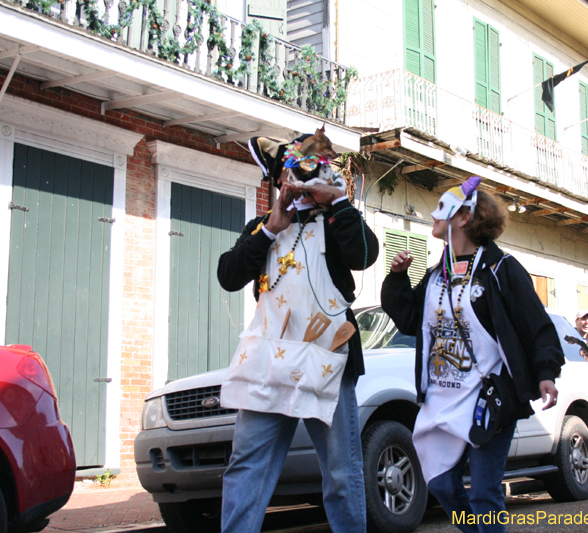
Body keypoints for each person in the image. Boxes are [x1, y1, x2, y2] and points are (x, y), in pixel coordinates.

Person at [381, 176, 563, 533]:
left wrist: (545, 372)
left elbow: (536, 325)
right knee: (441, 485)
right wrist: (398, 278)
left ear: (464, 217)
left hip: (488, 399)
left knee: (483, 493)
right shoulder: (437, 274)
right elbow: (408, 319)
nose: (433, 214)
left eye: (442, 207)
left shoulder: (501, 268)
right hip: (443, 398)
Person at [217, 132, 379, 533]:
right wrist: (272, 226)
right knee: (246, 466)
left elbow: (365, 253)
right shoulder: (262, 227)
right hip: (269, 364)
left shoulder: (338, 220)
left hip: (329, 364)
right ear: (279, 180)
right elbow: (229, 274)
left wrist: (337, 202)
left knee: (342, 470)